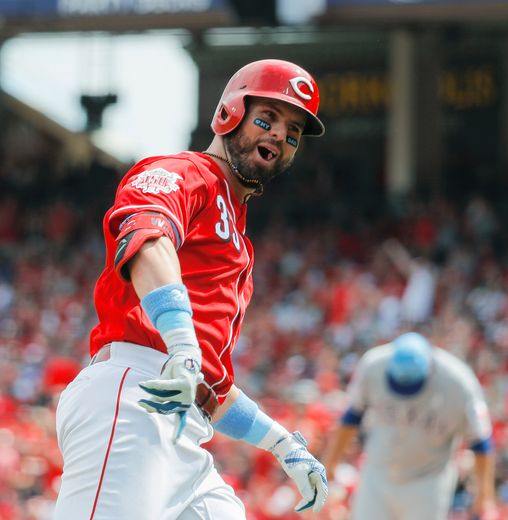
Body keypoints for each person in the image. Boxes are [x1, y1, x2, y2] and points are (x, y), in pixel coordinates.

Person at [54, 59, 329, 519]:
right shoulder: (184, 171)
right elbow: (146, 237)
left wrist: (281, 443)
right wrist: (182, 343)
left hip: (182, 420)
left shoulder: (240, 240)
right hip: (133, 395)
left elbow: (210, 387)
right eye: (267, 119)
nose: (281, 135)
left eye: (293, 132)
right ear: (229, 114)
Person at [322, 332, 496, 519]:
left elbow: (481, 443)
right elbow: (351, 418)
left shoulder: (459, 383)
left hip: (427, 482)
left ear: (429, 369)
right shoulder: (374, 364)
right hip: (377, 474)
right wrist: (330, 463)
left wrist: (485, 494)